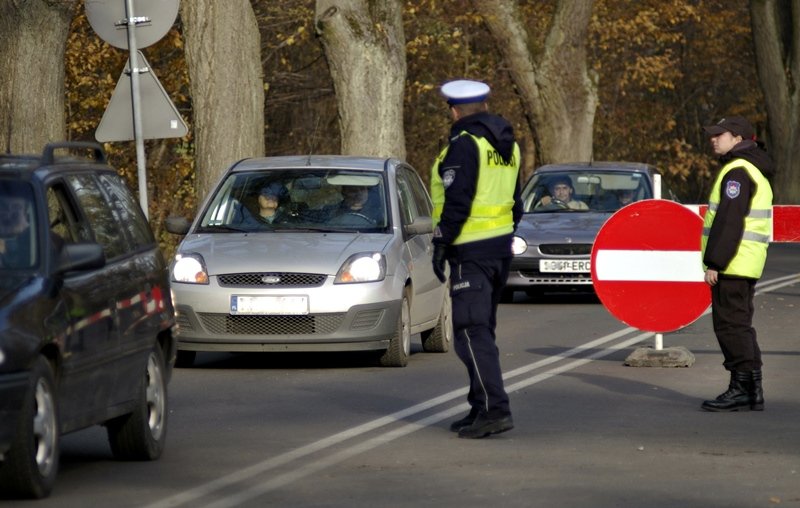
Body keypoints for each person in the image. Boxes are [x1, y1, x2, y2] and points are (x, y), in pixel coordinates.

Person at [430, 79, 522, 438]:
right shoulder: (506, 145)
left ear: (454, 111)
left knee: (470, 331)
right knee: (482, 331)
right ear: (484, 106)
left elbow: (458, 201)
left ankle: (495, 410)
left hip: (470, 250)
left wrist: (442, 243)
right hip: (498, 250)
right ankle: (479, 406)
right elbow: (517, 200)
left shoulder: (464, 146)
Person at [699, 115, 773, 412]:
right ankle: (751, 390)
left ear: (738, 138)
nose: (713, 139)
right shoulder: (752, 169)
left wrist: (715, 262)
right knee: (740, 325)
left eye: (720, 134)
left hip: (733, 262)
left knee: (730, 327)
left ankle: (741, 388)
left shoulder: (738, 171)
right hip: (745, 262)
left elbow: (729, 222)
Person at [0, 193, 33, 268]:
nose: (8, 214)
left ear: (25, 216)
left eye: (16, 208)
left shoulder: (40, 240)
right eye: (3, 207)